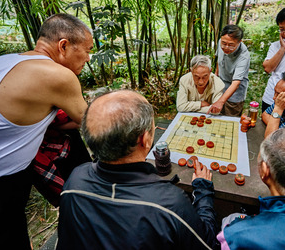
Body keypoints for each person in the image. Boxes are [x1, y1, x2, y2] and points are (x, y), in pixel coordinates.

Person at [0, 13, 93, 249]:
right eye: (87, 50)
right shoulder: (57, 75)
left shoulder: (7, 60)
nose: (88, 58)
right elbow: (91, 121)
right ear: (63, 46)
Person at [57, 90, 218, 250]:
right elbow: (208, 244)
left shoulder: (74, 180)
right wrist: (203, 190)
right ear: (145, 139)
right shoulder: (169, 204)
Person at [208, 25, 250, 117]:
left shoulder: (244, 56)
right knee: (215, 117)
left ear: (240, 42)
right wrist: (216, 76)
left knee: (229, 120)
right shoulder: (222, 42)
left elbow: (236, 83)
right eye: (224, 43)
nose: (226, 47)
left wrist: (221, 102)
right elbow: (219, 60)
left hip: (235, 94)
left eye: (231, 45)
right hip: (220, 87)